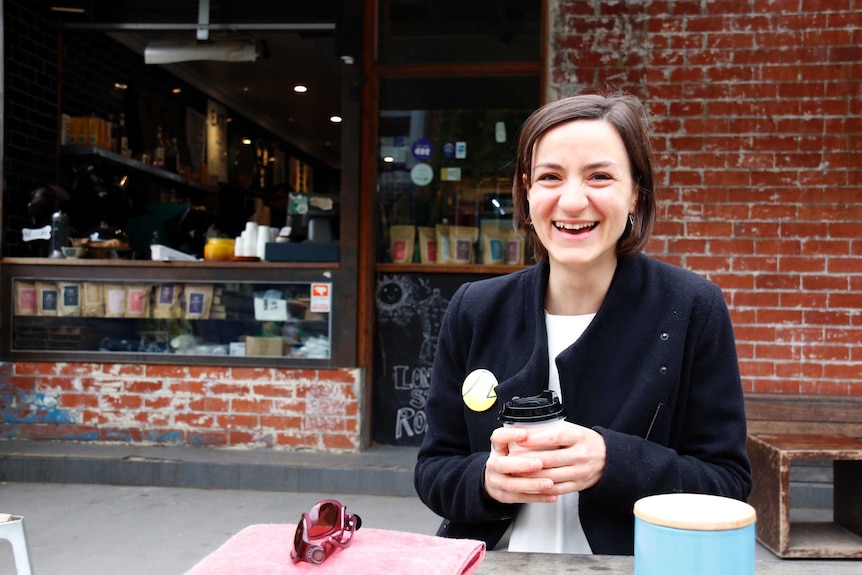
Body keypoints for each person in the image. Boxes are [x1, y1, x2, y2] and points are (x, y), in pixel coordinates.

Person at [414, 92, 752, 556]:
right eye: (550, 177)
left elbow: (728, 484)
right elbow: (434, 470)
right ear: (527, 192)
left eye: (600, 176)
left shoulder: (692, 307)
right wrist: (485, 481)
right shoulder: (477, 308)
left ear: (636, 191)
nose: (572, 201)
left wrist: (612, 463)